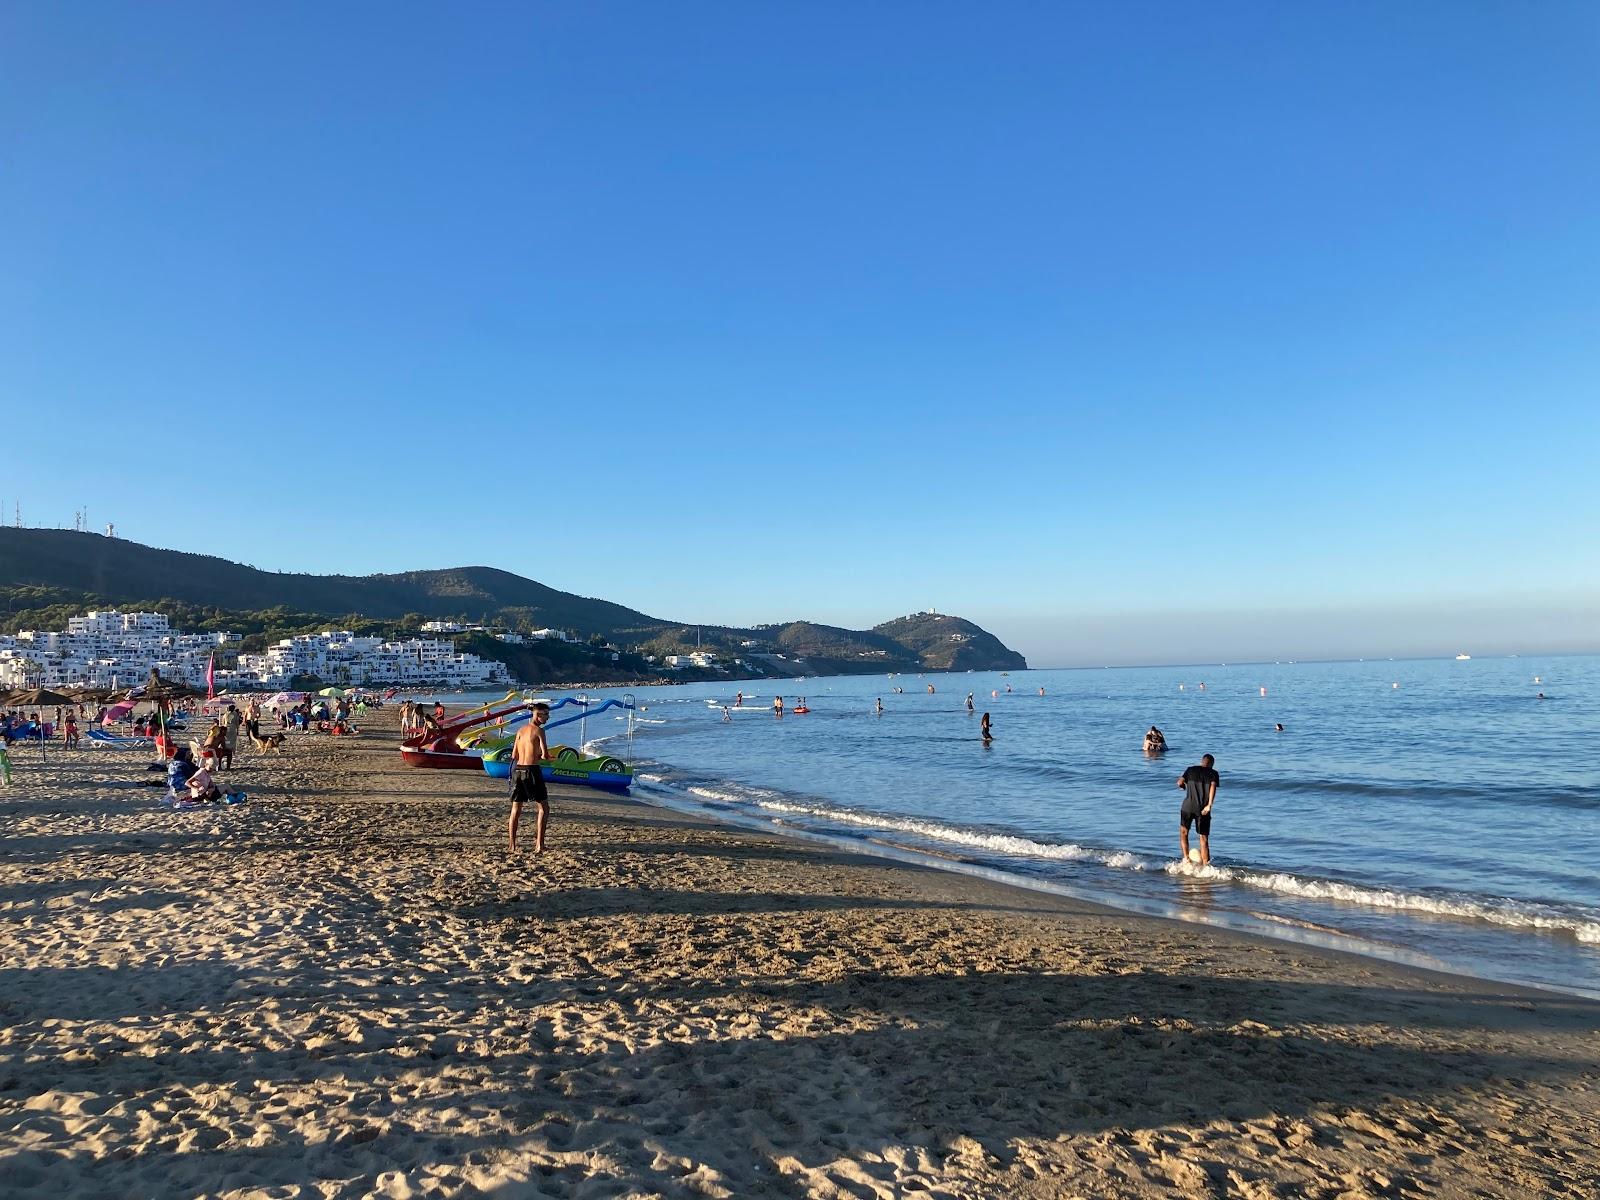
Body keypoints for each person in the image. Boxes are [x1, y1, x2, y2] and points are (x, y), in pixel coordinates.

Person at [508, 703, 551, 853]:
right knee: (543, 808)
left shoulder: (520, 730)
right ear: (537, 715)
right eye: (545, 714)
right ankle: (539, 844)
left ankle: (512, 845)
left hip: (518, 770)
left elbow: (514, 755)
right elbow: (545, 755)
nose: (548, 717)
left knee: (516, 809)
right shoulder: (539, 731)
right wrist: (548, 757)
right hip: (532, 770)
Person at [1177, 753, 1220, 866]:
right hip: (1202, 810)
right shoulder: (1213, 773)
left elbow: (1180, 782)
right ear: (1211, 764)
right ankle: (1206, 865)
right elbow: (1213, 787)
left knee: (1184, 833)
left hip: (1187, 807)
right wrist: (1209, 805)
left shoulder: (1190, 770)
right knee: (1203, 838)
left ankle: (1186, 859)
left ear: (1202, 762)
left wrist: (1183, 787)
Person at [221, 704, 242, 770]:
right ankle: (231, 750)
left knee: (227, 741)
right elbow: (237, 723)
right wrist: (238, 730)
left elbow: (223, 722)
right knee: (231, 742)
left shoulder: (226, 714)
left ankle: (228, 749)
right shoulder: (235, 714)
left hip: (227, 729)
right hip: (232, 729)